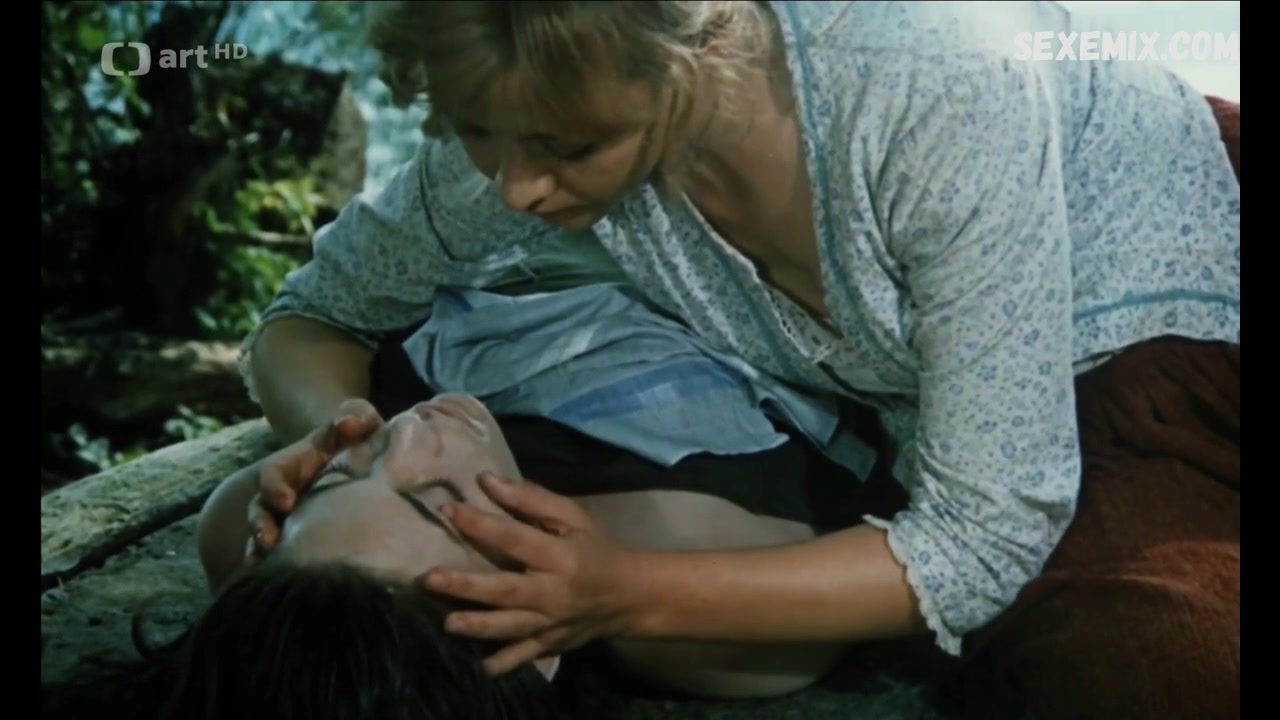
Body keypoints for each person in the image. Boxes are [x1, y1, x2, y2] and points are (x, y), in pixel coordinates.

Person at [239, 2, 1240, 718]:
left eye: (566, 149)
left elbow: (980, 541)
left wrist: (630, 591)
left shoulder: (929, 82)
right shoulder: (531, 98)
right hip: (1005, 358)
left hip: (1163, 303)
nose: (514, 190)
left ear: (686, 62)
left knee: (1159, 667)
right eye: (475, 133)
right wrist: (342, 441)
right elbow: (313, 313)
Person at [183, 389, 889, 719]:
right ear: (529, 640)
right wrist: (632, 590)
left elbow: (227, 528)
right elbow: (918, 570)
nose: (404, 429)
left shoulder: (290, 571)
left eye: (340, 473)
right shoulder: (707, 605)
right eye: (435, 501)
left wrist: (327, 433)